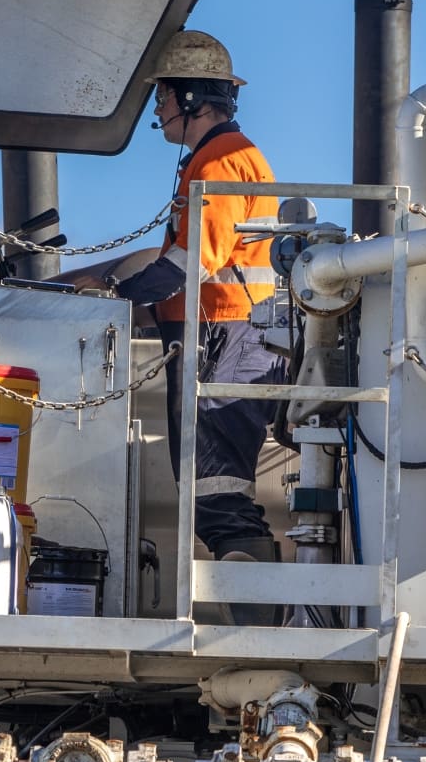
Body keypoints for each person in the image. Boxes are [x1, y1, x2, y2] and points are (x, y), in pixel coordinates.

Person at [75, 30, 287, 567]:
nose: (160, 108)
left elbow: (191, 263)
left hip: (225, 337)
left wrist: (118, 296)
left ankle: (256, 619)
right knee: (210, 493)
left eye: (164, 96)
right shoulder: (218, 160)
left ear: (191, 98)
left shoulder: (220, 163)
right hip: (222, 334)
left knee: (216, 495)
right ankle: (254, 608)